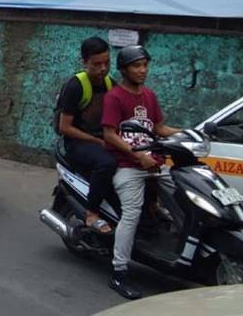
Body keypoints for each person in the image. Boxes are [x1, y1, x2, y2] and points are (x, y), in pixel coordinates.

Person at [101, 45, 179, 300]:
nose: (142, 70)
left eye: (145, 65)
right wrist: (137, 155)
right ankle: (119, 271)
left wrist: (188, 134)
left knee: (182, 194)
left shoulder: (149, 96)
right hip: (128, 166)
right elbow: (109, 134)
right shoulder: (114, 97)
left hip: (154, 163)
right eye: (137, 66)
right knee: (131, 213)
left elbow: (160, 127)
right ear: (124, 70)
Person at [55, 36, 116, 233]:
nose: (103, 69)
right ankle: (92, 212)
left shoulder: (110, 84)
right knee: (106, 163)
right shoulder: (76, 86)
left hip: (102, 138)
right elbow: (65, 127)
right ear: (84, 62)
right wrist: (97, 140)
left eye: (107, 63)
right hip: (77, 143)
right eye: (96, 64)